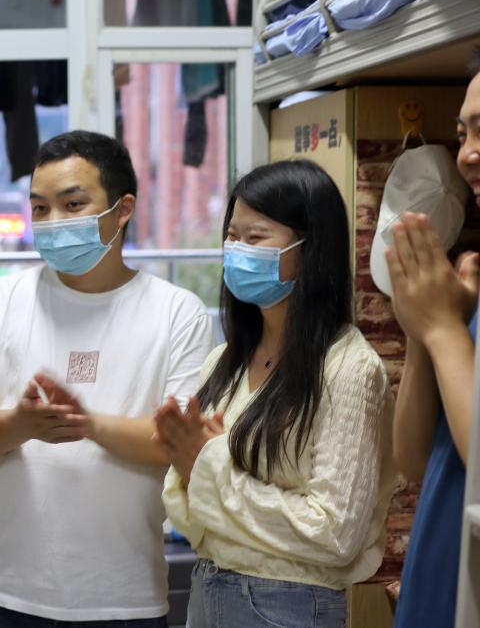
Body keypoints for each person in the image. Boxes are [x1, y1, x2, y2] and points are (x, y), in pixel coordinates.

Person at [0, 130, 213, 627]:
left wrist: (86, 424)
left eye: (72, 205)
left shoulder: (178, 312)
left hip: (125, 597)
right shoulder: (0, 300)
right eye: (40, 208)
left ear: (123, 209)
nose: (53, 222)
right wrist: (20, 424)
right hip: (9, 591)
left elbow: (177, 444)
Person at [156, 159, 397, 628]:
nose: (236, 250)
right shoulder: (223, 361)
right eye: (231, 236)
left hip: (286, 605)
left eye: (255, 237)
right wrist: (191, 468)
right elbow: (189, 514)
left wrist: (207, 466)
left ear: (309, 249)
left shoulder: (349, 368)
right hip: (209, 588)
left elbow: (334, 533)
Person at [390, 59, 480, 628]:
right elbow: (415, 458)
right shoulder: (472, 282)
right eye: (463, 133)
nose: (467, 154)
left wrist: (444, 330)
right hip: (438, 587)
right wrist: (423, 332)